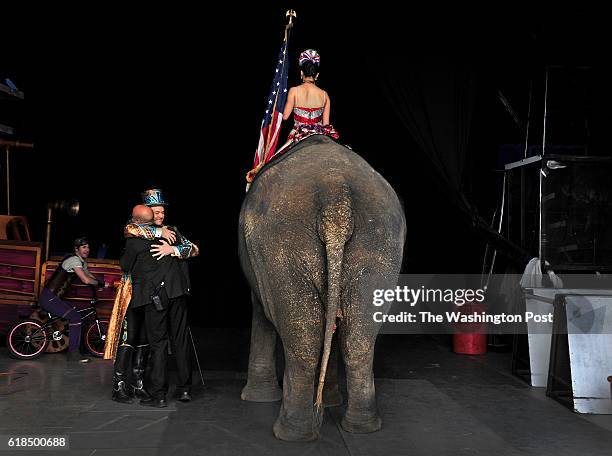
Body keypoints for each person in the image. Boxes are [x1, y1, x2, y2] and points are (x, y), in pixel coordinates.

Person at [124, 189, 199, 402]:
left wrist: (172, 250)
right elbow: (129, 228)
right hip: (157, 295)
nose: (160, 215)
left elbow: (194, 249)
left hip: (174, 293)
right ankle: (160, 392)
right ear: (147, 212)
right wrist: (159, 234)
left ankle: (181, 389)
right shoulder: (137, 232)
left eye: (162, 212)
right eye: (155, 212)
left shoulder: (173, 231)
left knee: (178, 340)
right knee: (158, 343)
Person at [39, 237, 109, 363]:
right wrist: (98, 284)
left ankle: (75, 342)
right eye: (83, 247)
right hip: (49, 298)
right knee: (75, 317)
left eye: (88, 247)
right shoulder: (73, 260)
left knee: (78, 311)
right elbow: (85, 280)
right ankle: (73, 354)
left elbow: (89, 276)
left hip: (55, 298)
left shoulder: (81, 262)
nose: (87, 250)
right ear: (76, 249)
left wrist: (103, 284)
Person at [279, 49, 339, 153]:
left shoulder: (294, 91)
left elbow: (285, 116)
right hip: (318, 137)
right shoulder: (324, 95)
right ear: (317, 75)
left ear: (301, 73)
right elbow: (325, 124)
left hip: (298, 136)